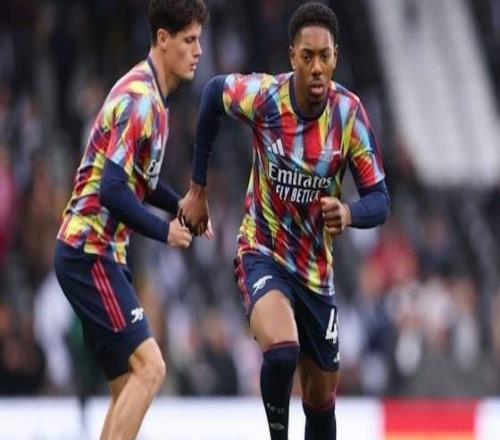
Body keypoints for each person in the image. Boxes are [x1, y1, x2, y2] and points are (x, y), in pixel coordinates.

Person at [180, 2, 390, 439]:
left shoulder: (349, 115)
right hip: (262, 251)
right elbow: (213, 93)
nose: (316, 68)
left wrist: (349, 213)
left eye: (325, 57)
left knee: (321, 404)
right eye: (307, 56)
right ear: (292, 56)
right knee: (281, 351)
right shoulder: (265, 97)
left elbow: (380, 199)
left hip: (316, 273)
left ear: (336, 57)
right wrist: (197, 188)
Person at [53, 1, 209, 439]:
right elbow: (113, 190)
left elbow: (141, 183)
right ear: (163, 39)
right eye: (189, 40)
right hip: (89, 252)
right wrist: (165, 231)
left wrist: (184, 207)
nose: (198, 51)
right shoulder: (141, 100)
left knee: (128, 387)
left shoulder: (155, 99)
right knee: (152, 368)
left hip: (102, 255)